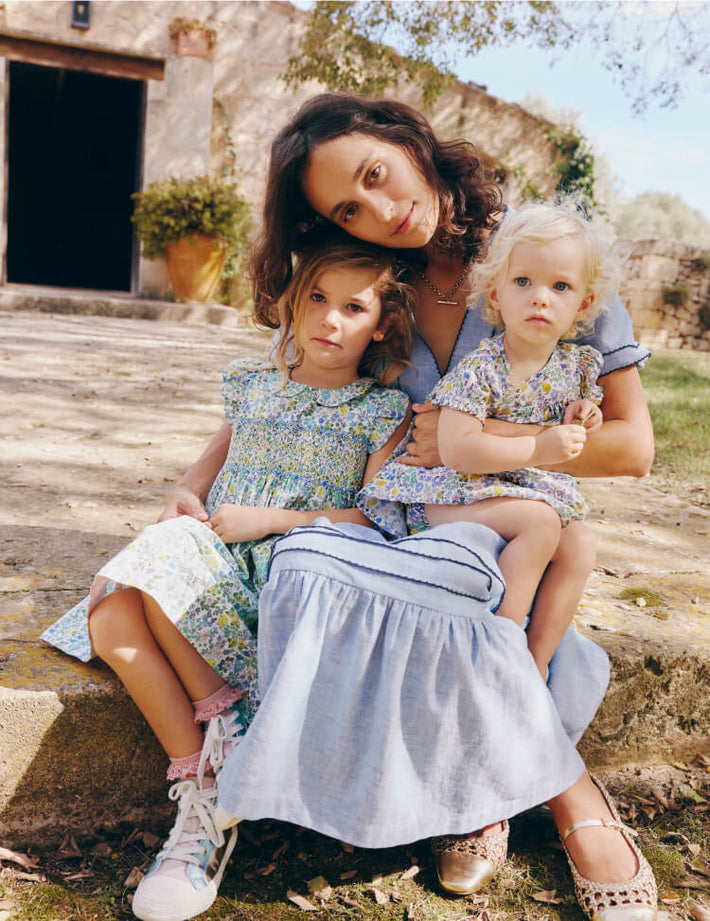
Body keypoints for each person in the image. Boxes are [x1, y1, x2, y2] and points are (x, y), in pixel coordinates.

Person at [151, 94, 656, 921]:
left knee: (563, 539)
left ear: (409, 140)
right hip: (412, 519)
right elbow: (300, 399)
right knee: (397, 577)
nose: (385, 212)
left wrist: (476, 437)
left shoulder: (547, 260)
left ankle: (554, 796)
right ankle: (523, 790)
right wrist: (208, 483)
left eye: (378, 176)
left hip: (507, 517)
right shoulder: (372, 287)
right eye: (350, 209)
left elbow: (632, 447)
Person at [40, 240, 414, 921]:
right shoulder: (253, 386)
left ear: (382, 323)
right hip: (208, 557)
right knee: (110, 613)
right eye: (317, 300)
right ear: (294, 307)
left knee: (146, 581)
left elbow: (373, 518)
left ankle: (222, 755)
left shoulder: (378, 411)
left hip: (277, 580)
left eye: (353, 307)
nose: (330, 319)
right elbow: (198, 477)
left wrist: (271, 517)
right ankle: (214, 768)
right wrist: (182, 497)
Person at [358, 200, 615, 678]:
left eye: (560, 286)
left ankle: (534, 666)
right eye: (524, 282)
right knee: (540, 524)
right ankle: (499, 645)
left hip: (514, 490)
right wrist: (539, 447)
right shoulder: (481, 367)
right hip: (446, 490)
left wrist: (585, 413)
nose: (541, 298)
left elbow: (580, 414)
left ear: (582, 303)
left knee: (580, 541)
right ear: (495, 294)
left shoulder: (575, 367)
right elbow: (456, 449)